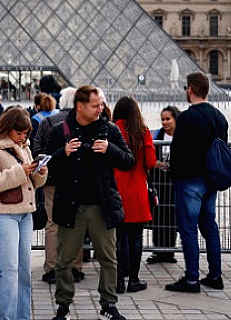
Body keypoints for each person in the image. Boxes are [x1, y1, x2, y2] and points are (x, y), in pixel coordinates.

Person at [44, 85, 134, 320]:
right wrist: (63, 153)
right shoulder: (58, 131)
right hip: (71, 206)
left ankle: (108, 304)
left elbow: (128, 161)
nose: (100, 109)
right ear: (80, 106)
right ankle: (63, 306)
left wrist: (110, 149)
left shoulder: (110, 130)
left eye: (101, 105)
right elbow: (46, 166)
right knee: (64, 260)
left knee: (108, 258)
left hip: (101, 206)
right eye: (96, 105)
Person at [0, 107, 48, 320]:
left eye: (26, 133)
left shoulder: (23, 147)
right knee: (5, 272)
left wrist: (39, 173)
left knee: (23, 272)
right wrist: (20, 172)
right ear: (7, 129)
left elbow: (31, 183)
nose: (23, 137)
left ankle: (21, 316)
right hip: (1, 215)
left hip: (24, 214)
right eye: (19, 133)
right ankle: (1, 317)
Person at [165, 71, 228, 294]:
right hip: (211, 180)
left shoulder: (187, 118)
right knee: (210, 227)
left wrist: (174, 175)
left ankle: (192, 278)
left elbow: (178, 151)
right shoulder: (219, 117)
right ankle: (215, 275)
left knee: (188, 229)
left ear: (190, 89)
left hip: (190, 180)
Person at [32, 87, 85, 285]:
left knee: (52, 224)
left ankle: (52, 267)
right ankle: (75, 267)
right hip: (76, 182)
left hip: (52, 181)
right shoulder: (82, 123)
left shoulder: (47, 122)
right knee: (75, 224)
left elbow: (38, 150)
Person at [112, 96, 155, 294]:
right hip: (137, 190)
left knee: (119, 238)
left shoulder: (111, 129)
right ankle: (134, 280)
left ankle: (119, 281)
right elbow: (150, 161)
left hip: (116, 190)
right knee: (136, 237)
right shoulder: (142, 131)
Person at [147, 105, 180, 265]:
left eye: (168, 119)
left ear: (175, 119)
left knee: (171, 219)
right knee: (158, 218)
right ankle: (158, 251)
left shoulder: (181, 136)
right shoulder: (157, 135)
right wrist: (159, 165)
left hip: (175, 184)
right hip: (159, 183)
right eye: (163, 119)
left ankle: (169, 252)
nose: (165, 122)